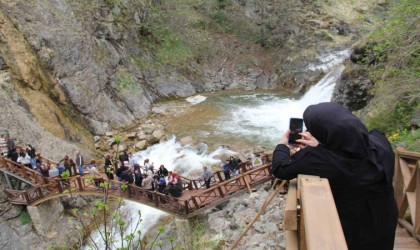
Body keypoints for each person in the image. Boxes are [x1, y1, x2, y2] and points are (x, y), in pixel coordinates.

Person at [271, 102, 397, 250]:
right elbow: (352, 145)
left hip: (354, 226)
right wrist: (323, 144)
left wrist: (282, 145)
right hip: (385, 216)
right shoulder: (380, 141)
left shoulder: (320, 159)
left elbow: (281, 169)